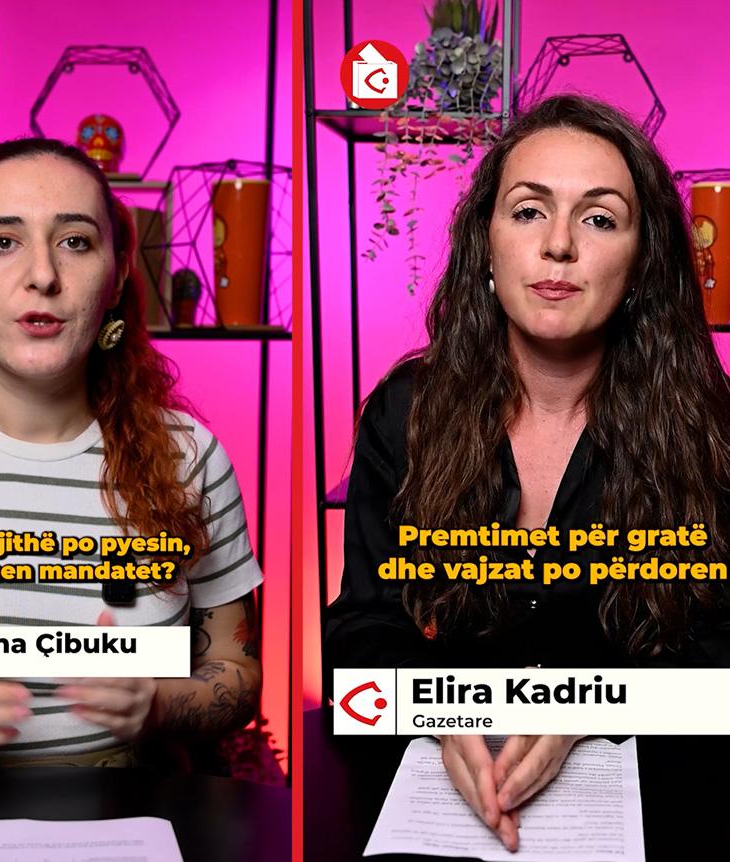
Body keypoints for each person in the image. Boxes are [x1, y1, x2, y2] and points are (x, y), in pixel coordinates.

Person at [324, 94, 730, 851]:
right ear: (485, 242)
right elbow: (360, 640)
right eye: (528, 211)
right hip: (444, 818)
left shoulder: (711, 430)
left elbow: (726, 664)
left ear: (643, 262)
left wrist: (589, 708)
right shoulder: (404, 415)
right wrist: (444, 715)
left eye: (599, 218)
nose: (559, 247)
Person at [0, 138, 262, 774]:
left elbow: (236, 673)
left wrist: (159, 706)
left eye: (76, 241)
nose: (43, 275)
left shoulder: (189, 455)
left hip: (135, 827)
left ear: (114, 276)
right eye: (3, 241)